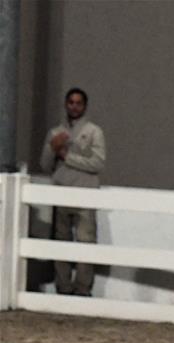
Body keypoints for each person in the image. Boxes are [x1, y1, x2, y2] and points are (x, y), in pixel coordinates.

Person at [39, 87, 106, 296]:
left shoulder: (94, 132)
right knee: (61, 241)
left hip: (85, 193)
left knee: (86, 241)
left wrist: (67, 156)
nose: (74, 106)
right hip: (61, 192)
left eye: (78, 103)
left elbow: (97, 163)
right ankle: (63, 287)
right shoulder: (55, 132)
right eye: (71, 102)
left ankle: (83, 289)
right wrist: (53, 148)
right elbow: (44, 165)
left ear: (84, 106)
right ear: (66, 105)